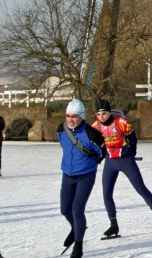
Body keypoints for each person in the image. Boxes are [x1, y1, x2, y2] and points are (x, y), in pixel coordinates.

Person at [91, 100, 152, 238]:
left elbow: (132, 138)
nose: (101, 116)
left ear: (109, 112)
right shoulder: (95, 126)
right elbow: (95, 144)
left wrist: (131, 153)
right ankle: (113, 225)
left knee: (140, 188)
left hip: (125, 160)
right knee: (106, 193)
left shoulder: (121, 122)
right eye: (98, 114)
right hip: (110, 162)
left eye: (104, 113)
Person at [57, 99, 105, 258]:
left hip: (86, 175)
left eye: (74, 116)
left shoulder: (93, 134)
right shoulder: (62, 129)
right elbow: (64, 145)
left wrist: (88, 163)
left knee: (77, 209)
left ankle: (78, 245)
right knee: (65, 209)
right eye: (68, 116)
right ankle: (76, 228)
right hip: (67, 174)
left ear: (82, 117)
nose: (70, 119)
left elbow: (101, 153)